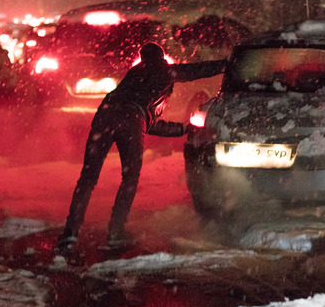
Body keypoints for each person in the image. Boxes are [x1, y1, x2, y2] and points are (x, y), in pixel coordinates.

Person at [56, 42, 225, 255]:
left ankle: (70, 233)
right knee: (130, 177)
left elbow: (149, 123)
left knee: (88, 177)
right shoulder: (163, 70)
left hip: (105, 114)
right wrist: (226, 64)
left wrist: (182, 128)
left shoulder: (134, 74)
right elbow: (197, 70)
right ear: (161, 57)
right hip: (130, 118)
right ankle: (116, 232)